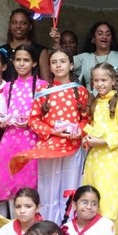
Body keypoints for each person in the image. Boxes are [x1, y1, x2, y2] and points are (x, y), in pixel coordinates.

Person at [13, 47, 89, 225]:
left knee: (71, 187)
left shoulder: (81, 92)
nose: (58, 65)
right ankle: (47, 225)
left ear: (71, 65)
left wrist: (79, 130)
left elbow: (86, 119)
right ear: (49, 66)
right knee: (48, 189)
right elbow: (33, 120)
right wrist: (52, 131)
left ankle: (69, 225)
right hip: (49, 147)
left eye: (63, 61)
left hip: (73, 147)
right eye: (54, 62)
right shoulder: (43, 92)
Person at [0, 45, 48, 216]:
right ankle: (10, 226)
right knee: (7, 181)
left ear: (34, 63)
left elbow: (45, 115)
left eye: (26, 60)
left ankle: (30, 225)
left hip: (32, 139)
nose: (21, 64)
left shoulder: (42, 85)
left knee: (29, 182)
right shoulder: (9, 86)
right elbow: (8, 111)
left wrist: (30, 121)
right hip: (10, 139)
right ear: (12, 62)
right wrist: (3, 120)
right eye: (18, 60)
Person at [81, 62, 118, 235]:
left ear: (113, 80)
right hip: (94, 158)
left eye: (104, 79)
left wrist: (103, 142)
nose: (100, 84)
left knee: (110, 201)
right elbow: (93, 127)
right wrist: (87, 137)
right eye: (96, 80)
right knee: (93, 197)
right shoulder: (95, 101)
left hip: (111, 158)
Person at [60, 21, 118, 92]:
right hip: (91, 102)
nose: (104, 37)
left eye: (108, 34)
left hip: (116, 102)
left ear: (112, 39)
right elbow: (62, 63)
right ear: (93, 38)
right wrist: (57, 44)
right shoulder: (84, 58)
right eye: (100, 34)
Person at [0, 8, 50, 82]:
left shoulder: (40, 51)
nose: (18, 26)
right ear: (9, 26)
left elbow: (46, 82)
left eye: (23, 23)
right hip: (5, 92)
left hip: (33, 92)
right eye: (14, 22)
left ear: (30, 26)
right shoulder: (0, 51)